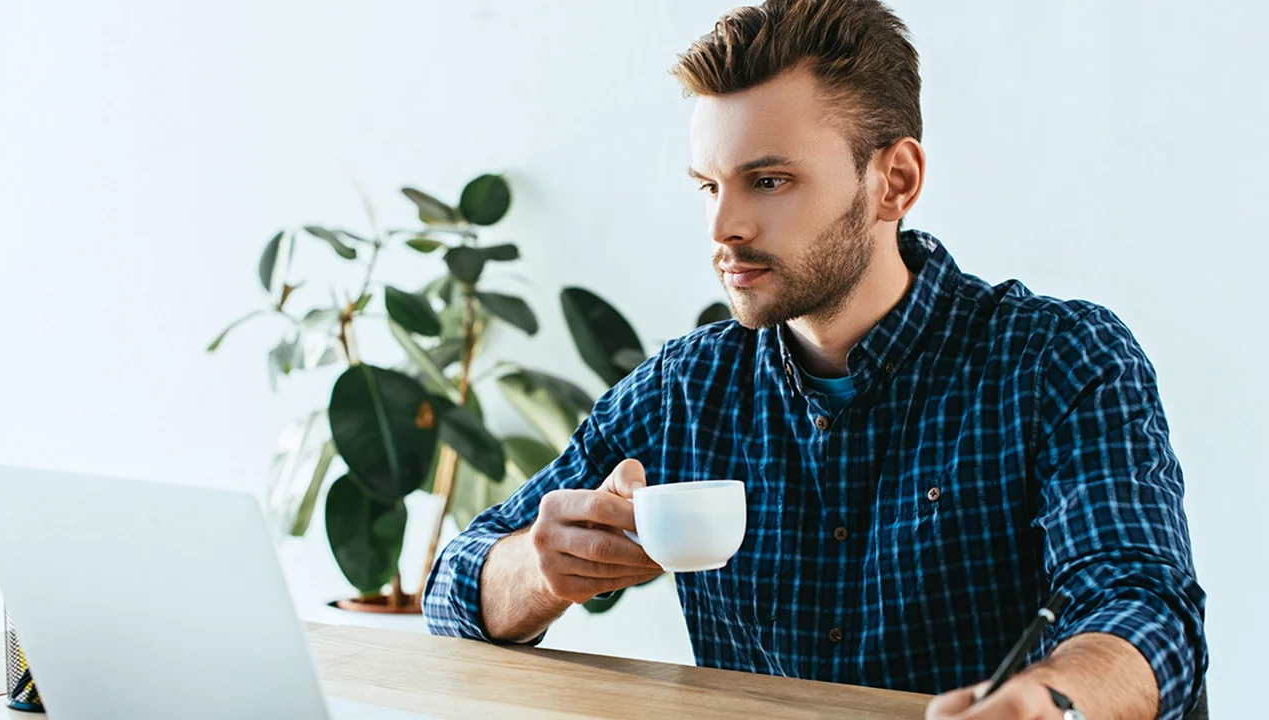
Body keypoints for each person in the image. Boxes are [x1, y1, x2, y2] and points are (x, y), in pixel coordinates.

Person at [422, 1, 1207, 718]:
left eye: (768, 181)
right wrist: (540, 567)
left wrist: (1049, 701)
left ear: (892, 181)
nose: (723, 226)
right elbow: (451, 588)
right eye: (707, 186)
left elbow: (1142, 605)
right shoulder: (682, 390)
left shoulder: (1055, 360)